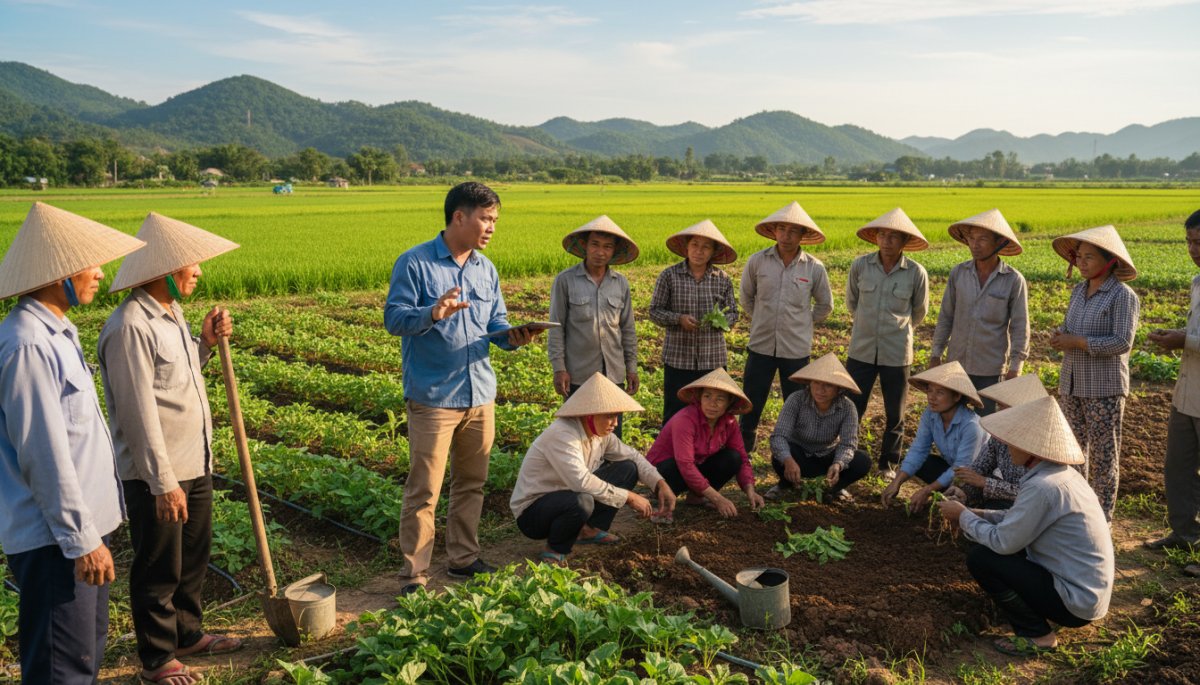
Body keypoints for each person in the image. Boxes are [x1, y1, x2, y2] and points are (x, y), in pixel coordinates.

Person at [0, 202, 144, 684]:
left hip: (74, 535)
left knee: (82, 654)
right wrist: (82, 541)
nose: (101, 273)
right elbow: (44, 455)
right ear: (57, 274)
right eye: (91, 263)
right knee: (61, 668)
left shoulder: (58, 333)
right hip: (56, 544)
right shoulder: (28, 345)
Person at [97, 213, 240, 685]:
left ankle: (187, 633)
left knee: (191, 558)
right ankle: (157, 658)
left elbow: (178, 382)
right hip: (157, 474)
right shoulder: (130, 326)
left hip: (193, 460)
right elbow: (138, 414)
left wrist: (204, 342)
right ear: (162, 270)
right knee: (159, 566)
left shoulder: (172, 314)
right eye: (189, 263)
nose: (198, 270)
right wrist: (163, 483)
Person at [384, 182, 541, 594]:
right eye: (486, 219)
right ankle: (415, 574)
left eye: (495, 220)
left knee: (472, 483)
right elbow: (394, 319)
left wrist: (513, 337)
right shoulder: (415, 263)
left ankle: (463, 559)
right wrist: (434, 311)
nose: (491, 228)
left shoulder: (486, 269)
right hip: (434, 396)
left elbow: (496, 325)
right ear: (459, 217)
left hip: (480, 394)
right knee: (425, 490)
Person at [938, 396, 1114, 657]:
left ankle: (1038, 634)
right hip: (1085, 592)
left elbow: (1004, 542)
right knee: (996, 546)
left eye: (1013, 442)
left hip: (1075, 602)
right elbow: (1018, 518)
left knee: (983, 559)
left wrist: (964, 517)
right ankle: (1029, 610)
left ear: (1031, 449)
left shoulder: (1042, 487)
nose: (1007, 447)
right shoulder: (1058, 475)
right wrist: (976, 513)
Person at [509, 373, 676, 564]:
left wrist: (660, 484)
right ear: (590, 414)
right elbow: (581, 481)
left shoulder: (601, 435)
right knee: (582, 501)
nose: (615, 423)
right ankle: (555, 548)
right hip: (533, 513)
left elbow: (633, 456)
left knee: (628, 468)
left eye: (617, 417)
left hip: (568, 495)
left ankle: (589, 529)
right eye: (610, 416)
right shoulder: (563, 434)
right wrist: (629, 496)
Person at [1050, 225, 1141, 522]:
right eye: (1079, 256)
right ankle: (1076, 514)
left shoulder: (1122, 295)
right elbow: (1070, 327)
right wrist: (1061, 335)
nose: (1081, 262)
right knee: (1074, 452)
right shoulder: (1079, 290)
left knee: (1103, 458)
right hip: (1072, 383)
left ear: (1110, 260)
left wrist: (1076, 342)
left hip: (1104, 387)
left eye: (1089, 257)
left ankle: (1102, 520)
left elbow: (1122, 341)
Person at [739, 202, 833, 451]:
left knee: (796, 402)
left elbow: (825, 305)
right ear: (774, 232)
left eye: (793, 231)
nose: (786, 235)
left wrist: (803, 322)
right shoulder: (758, 261)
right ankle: (744, 449)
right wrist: (761, 317)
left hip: (796, 349)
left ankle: (793, 451)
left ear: (803, 235)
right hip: (760, 344)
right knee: (752, 399)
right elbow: (747, 298)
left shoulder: (814, 267)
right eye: (781, 229)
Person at [845, 208, 929, 478]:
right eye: (882, 235)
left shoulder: (916, 273)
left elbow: (919, 312)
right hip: (862, 349)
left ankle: (888, 464)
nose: (887, 241)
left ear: (904, 242)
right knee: (852, 407)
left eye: (894, 237)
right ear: (875, 238)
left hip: (897, 352)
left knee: (896, 411)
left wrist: (896, 330)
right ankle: (847, 456)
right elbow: (852, 302)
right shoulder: (860, 265)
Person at [1143, 208, 1200, 575]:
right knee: (1177, 467)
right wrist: (1178, 341)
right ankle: (1186, 534)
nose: (1194, 249)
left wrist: (1186, 341)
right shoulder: (1197, 282)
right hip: (1188, 394)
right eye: (1189, 242)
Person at [930, 209, 1030, 416]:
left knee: (985, 424)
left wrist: (1016, 367)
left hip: (990, 368)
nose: (975, 245)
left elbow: (1020, 325)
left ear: (999, 243)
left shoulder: (1013, 279)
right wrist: (935, 354)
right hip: (956, 364)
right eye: (972, 238)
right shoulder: (959, 273)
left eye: (983, 239)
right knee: (952, 420)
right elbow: (946, 316)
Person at [547, 215, 639, 437]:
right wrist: (559, 368)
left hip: (613, 373)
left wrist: (632, 367)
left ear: (613, 251)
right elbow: (556, 327)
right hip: (579, 374)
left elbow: (627, 328)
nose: (601, 252)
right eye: (595, 245)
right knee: (579, 435)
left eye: (607, 247)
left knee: (611, 435)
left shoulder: (620, 283)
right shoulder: (565, 280)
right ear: (585, 246)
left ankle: (610, 472)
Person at [649, 220, 739, 425]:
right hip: (678, 358)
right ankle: (671, 454)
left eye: (706, 246)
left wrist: (721, 322)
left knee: (713, 413)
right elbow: (654, 311)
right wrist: (678, 319)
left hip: (712, 359)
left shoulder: (722, 279)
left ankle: (709, 454)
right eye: (695, 245)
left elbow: (734, 313)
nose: (699, 251)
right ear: (686, 247)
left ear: (713, 252)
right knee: (675, 411)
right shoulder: (669, 276)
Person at [646, 368, 764, 518]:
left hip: (694, 466)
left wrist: (750, 490)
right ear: (700, 398)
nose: (712, 404)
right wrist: (717, 498)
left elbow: (741, 456)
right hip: (665, 471)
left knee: (733, 458)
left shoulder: (729, 422)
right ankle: (661, 498)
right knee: (673, 467)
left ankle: (696, 497)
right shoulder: (685, 419)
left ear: (729, 403)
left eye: (720, 399)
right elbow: (685, 465)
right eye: (707, 396)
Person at [881, 361, 985, 512]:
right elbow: (918, 449)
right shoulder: (930, 414)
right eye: (930, 391)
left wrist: (927, 490)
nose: (931, 397)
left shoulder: (971, 426)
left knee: (961, 485)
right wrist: (897, 481)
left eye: (940, 393)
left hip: (975, 479)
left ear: (956, 396)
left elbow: (961, 468)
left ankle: (970, 504)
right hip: (954, 471)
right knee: (924, 462)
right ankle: (947, 496)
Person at [767, 352, 871, 502]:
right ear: (809, 383)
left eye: (828, 385)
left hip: (827, 457)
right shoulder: (796, 399)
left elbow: (848, 443)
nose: (820, 390)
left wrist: (838, 464)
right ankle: (786, 484)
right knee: (779, 455)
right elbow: (779, 436)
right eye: (816, 383)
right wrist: (788, 460)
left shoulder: (847, 407)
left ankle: (832, 488)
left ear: (839, 388)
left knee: (862, 461)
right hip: (799, 456)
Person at [949, 373, 1048, 509]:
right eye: (998, 406)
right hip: (1007, 499)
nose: (998, 411)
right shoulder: (999, 437)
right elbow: (980, 468)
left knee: (992, 507)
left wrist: (986, 483)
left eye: (1003, 406)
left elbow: (1034, 494)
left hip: (1035, 508)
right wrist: (963, 490)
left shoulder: (1046, 446)